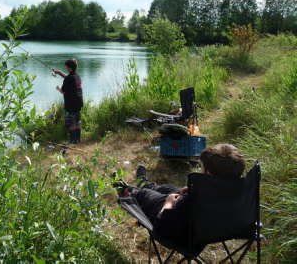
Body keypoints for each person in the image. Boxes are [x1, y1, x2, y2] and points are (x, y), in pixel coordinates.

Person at [114, 144, 246, 245]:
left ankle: (126, 189)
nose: (200, 170)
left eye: (202, 167)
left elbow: (161, 227)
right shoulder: (234, 192)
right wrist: (191, 191)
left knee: (145, 194)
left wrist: (169, 203)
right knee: (168, 188)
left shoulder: (196, 200)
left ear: (209, 174)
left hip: (176, 230)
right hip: (198, 224)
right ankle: (145, 183)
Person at [53, 59, 83, 144]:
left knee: (70, 122)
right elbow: (69, 77)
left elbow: (63, 91)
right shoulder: (77, 76)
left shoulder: (68, 79)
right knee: (77, 121)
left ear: (69, 68)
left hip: (71, 104)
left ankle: (73, 141)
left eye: (66, 67)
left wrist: (58, 88)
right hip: (78, 103)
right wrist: (59, 72)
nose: (65, 68)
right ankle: (77, 140)